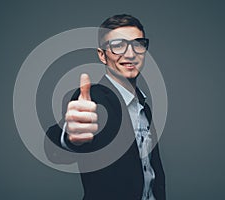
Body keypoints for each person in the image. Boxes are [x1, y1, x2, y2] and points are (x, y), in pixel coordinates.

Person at [45, 14, 165, 200]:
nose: (130, 54)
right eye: (118, 45)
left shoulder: (143, 106)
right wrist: (70, 137)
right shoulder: (94, 99)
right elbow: (54, 147)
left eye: (137, 44)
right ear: (102, 55)